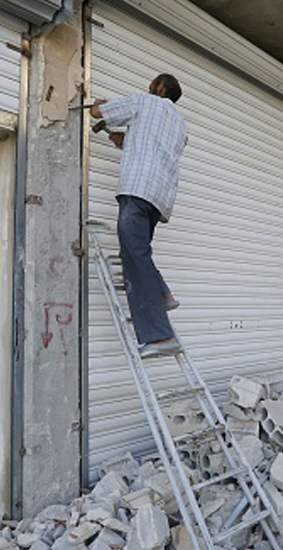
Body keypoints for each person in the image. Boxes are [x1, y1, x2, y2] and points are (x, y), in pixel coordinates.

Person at [90, 74, 188, 359]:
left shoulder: (144, 102)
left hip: (137, 188)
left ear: (159, 88)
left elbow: (100, 111)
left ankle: (160, 335)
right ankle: (162, 293)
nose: (148, 87)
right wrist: (117, 136)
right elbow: (145, 145)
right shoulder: (180, 127)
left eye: (151, 84)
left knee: (134, 257)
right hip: (159, 197)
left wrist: (98, 106)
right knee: (139, 252)